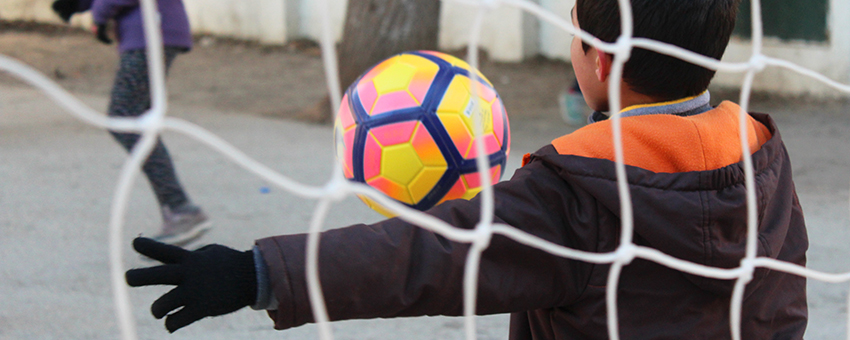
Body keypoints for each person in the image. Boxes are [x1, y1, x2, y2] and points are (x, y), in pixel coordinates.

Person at [125, 0, 809, 338]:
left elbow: (422, 256)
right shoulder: (763, 158)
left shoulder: (574, 194)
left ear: (601, 59)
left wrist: (255, 273)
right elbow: (783, 308)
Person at [52, 0, 211, 245]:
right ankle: (178, 210)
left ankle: (181, 208)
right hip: (152, 31)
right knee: (137, 122)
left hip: (151, 33)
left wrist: (99, 15)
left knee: (124, 118)